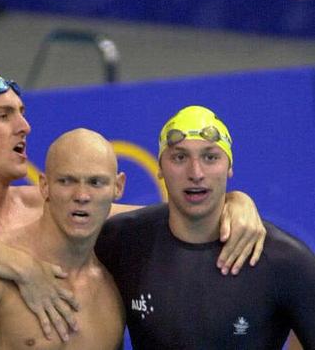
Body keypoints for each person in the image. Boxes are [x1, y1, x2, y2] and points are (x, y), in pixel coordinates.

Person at [0, 68, 266, 341]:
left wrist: (234, 201)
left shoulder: (35, 202)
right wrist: (25, 268)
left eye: (21, 113)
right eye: (4, 116)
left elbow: (163, 215)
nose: (25, 127)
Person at [95, 105, 315, 348]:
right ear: (160, 168)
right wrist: (42, 274)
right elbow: (59, 220)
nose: (196, 173)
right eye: (179, 157)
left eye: (210, 157)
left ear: (229, 167)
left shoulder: (285, 261)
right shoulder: (123, 241)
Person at [0, 128, 127, 349]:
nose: (82, 196)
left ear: (118, 187)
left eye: (96, 183)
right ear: (44, 186)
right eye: (66, 181)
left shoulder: (116, 281)